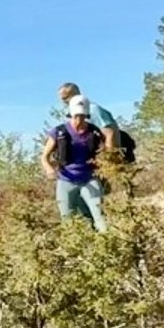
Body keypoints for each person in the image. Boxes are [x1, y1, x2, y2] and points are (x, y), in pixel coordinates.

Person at [42, 95, 109, 231]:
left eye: (82, 116)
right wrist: (49, 168)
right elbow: (44, 156)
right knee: (68, 220)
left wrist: (106, 162)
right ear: (71, 114)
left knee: (100, 216)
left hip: (89, 179)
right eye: (76, 116)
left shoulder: (94, 131)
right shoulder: (59, 132)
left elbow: (104, 149)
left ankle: (107, 244)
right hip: (66, 180)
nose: (79, 120)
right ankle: (75, 248)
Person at [57, 81, 120, 150]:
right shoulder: (70, 115)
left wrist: (109, 156)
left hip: (101, 156)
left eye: (66, 98)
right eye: (62, 99)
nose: (64, 102)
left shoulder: (93, 110)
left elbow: (111, 133)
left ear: (77, 95)